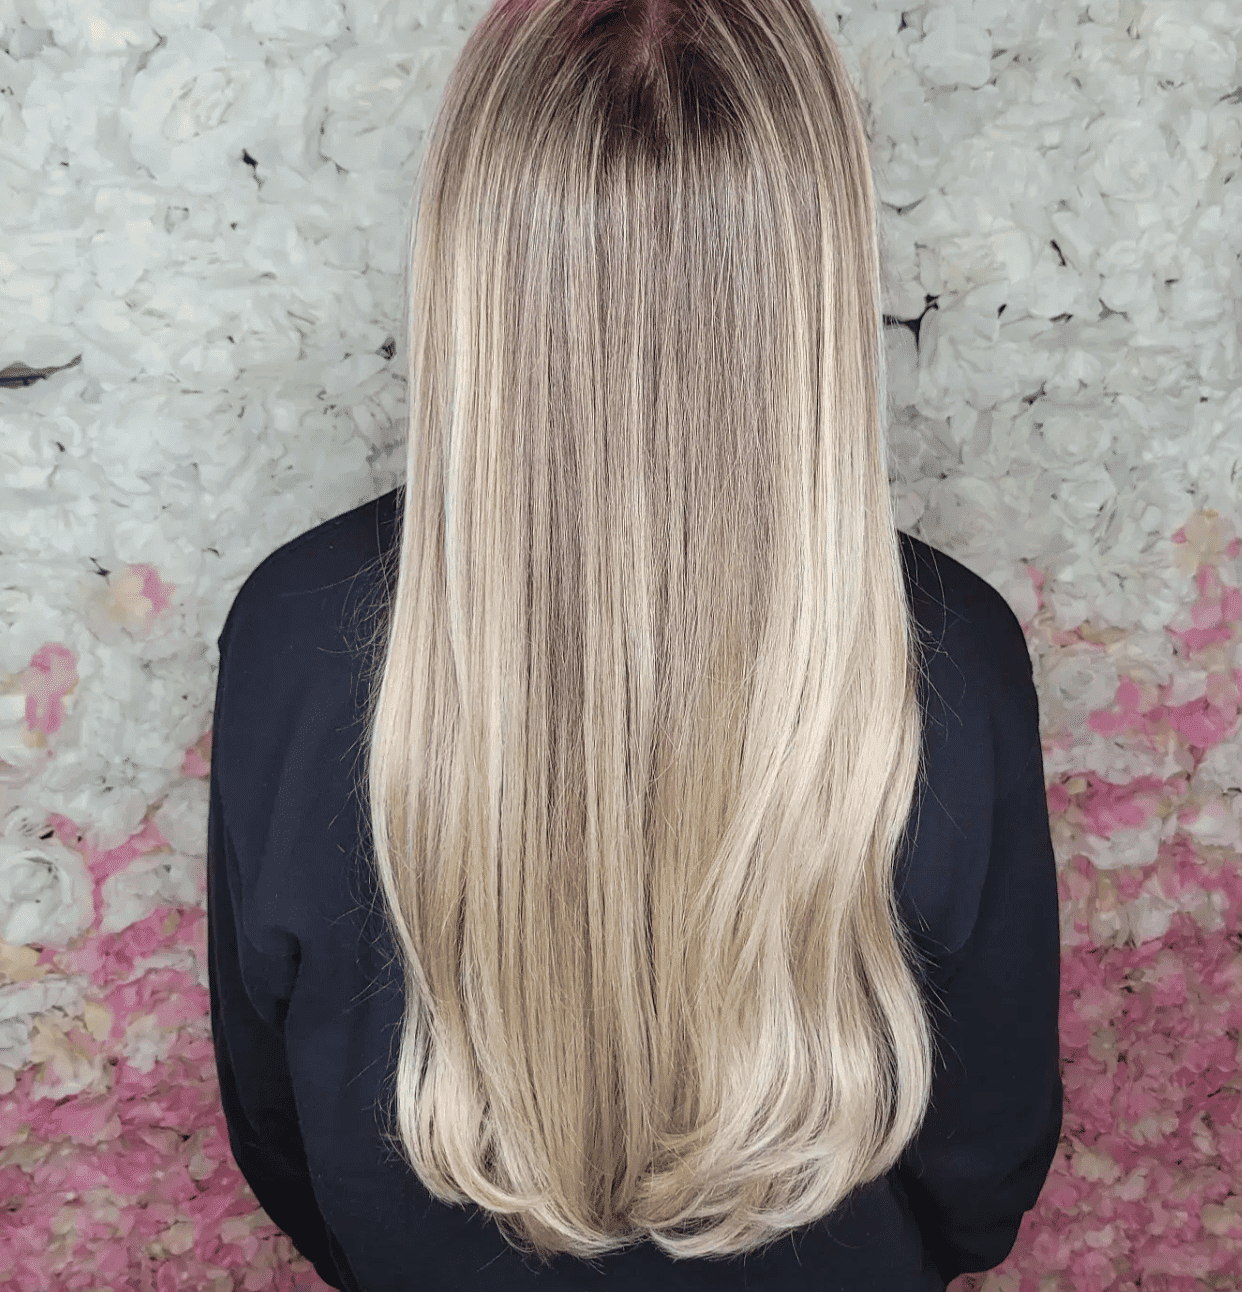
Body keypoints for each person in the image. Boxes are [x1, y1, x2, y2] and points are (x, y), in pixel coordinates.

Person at [206, 0, 1064, 1287]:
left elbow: (274, 1109)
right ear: (817, 261)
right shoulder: (948, 650)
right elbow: (982, 1145)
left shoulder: (291, 628)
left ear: (472, 245)